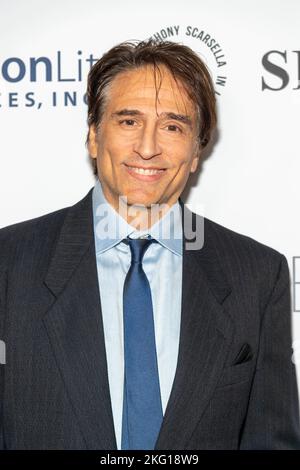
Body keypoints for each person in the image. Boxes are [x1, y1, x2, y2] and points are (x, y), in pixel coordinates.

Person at [0, 39, 299, 450]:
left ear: (196, 152)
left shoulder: (258, 275)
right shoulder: (9, 265)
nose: (147, 147)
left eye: (173, 126)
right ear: (93, 135)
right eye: (128, 121)